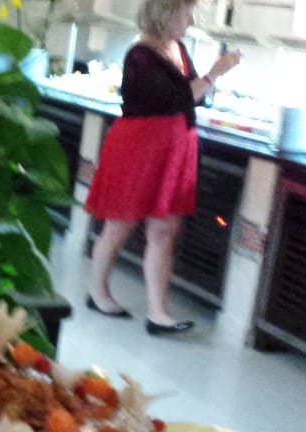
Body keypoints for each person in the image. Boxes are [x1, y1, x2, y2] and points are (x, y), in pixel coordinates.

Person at [84, 0, 240, 335]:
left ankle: (158, 313)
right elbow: (177, 98)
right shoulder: (140, 55)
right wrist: (215, 73)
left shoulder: (179, 49)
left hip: (174, 150)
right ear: (166, 13)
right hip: (139, 150)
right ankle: (98, 293)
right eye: (187, 13)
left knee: (165, 231)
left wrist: (209, 79)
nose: (191, 20)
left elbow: (195, 96)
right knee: (119, 226)